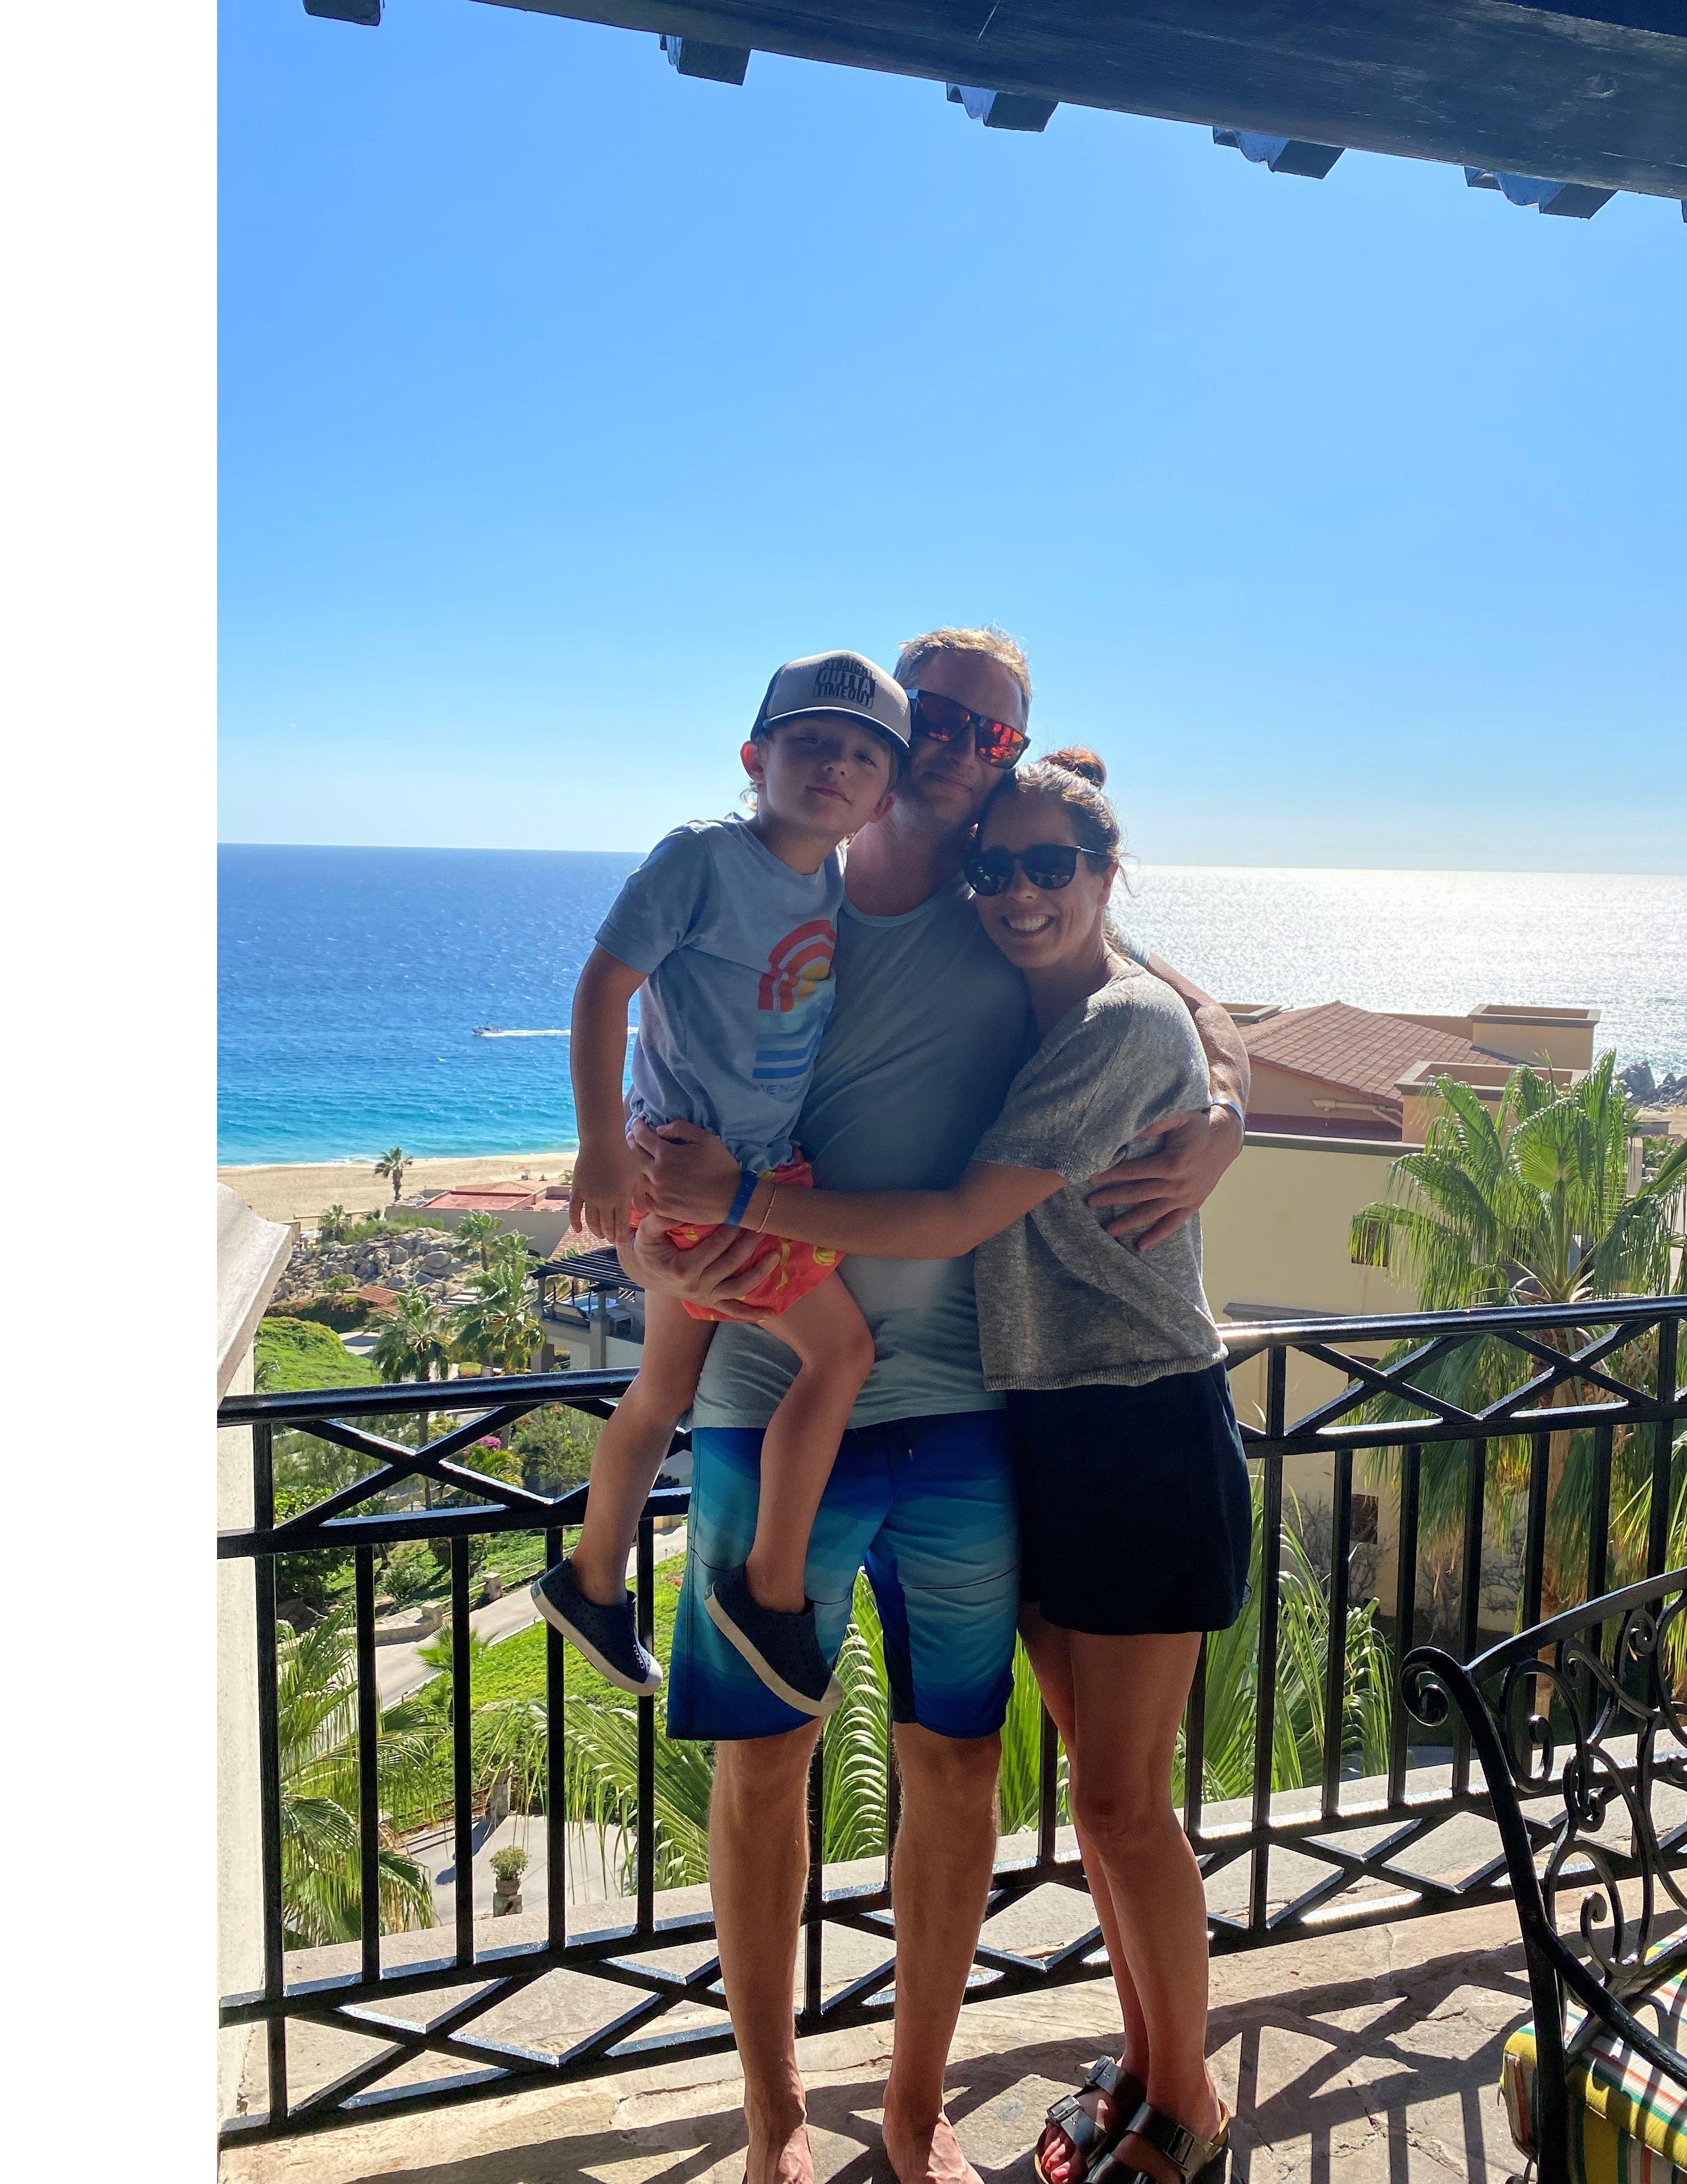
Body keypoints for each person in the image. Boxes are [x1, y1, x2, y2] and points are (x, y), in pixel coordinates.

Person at [626, 626, 1251, 2184]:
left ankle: (917, 2115)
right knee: (764, 1765)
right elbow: (655, 1104)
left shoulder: (1013, 905)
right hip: (768, 1398)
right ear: (900, 738)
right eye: (946, 727)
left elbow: (1178, 1003)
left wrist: (1228, 1110)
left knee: (964, 1769)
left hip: (975, 1411)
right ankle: (775, 2124)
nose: (969, 755)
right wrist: (645, 1222)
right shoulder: (780, 893)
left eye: (998, 736)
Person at [529, 650, 912, 1715]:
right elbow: (603, 989)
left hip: (743, 1171)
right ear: (755, 758)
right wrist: (599, 1148)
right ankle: (768, 1592)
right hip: (693, 1171)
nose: (835, 765)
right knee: (842, 1355)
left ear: (883, 799)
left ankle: (591, 1579)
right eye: (811, 742)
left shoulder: (827, 882)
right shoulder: (702, 856)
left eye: (863, 756)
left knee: (662, 1389)